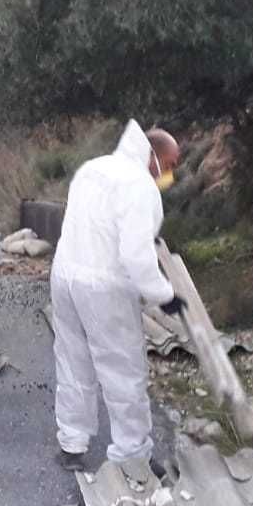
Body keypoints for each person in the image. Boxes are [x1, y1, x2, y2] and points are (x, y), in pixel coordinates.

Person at [50, 121, 183, 476]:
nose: (170, 173)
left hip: (65, 275)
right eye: (170, 164)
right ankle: (132, 455)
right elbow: (137, 256)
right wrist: (165, 295)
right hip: (103, 285)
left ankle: (72, 443)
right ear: (153, 156)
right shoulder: (139, 186)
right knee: (124, 369)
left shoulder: (92, 168)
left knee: (73, 360)